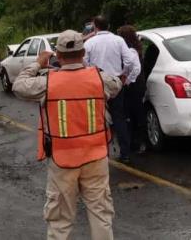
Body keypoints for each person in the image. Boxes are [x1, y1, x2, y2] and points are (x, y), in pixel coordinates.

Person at [13, 30, 122, 240]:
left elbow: (19, 85)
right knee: (101, 214)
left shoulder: (48, 82)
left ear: (58, 56)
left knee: (60, 220)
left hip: (63, 161)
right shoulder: (98, 78)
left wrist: (38, 63)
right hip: (96, 157)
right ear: (83, 53)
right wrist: (91, 70)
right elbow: (116, 85)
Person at [84, 15, 140, 163]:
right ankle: (125, 153)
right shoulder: (118, 40)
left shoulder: (90, 42)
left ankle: (101, 154)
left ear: (95, 26)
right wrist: (123, 75)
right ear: (108, 26)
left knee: (98, 119)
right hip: (115, 84)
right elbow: (129, 61)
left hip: (97, 82)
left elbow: (84, 62)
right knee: (119, 118)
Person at [117, 25, 147, 154]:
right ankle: (137, 142)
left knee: (133, 113)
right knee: (136, 112)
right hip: (137, 84)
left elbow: (135, 68)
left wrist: (127, 80)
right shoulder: (135, 48)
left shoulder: (131, 51)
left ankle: (138, 143)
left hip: (134, 85)